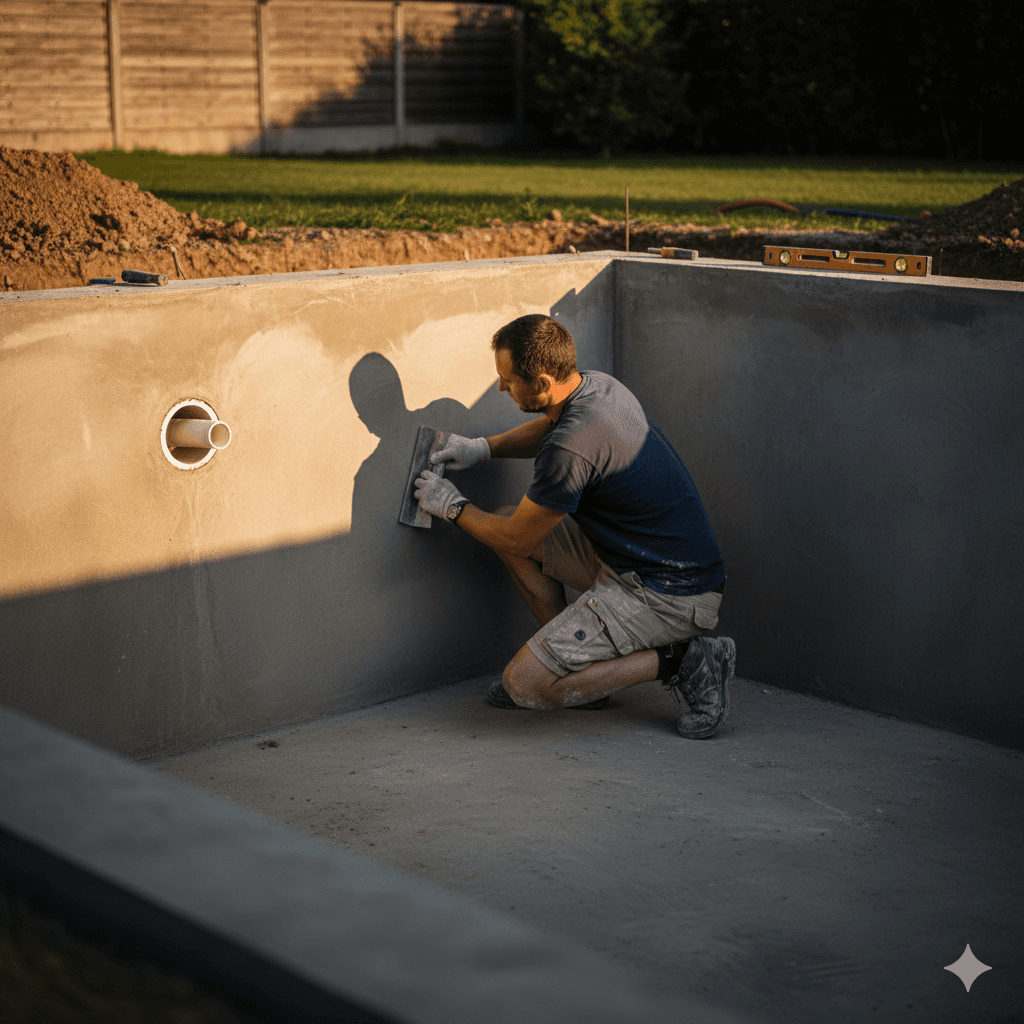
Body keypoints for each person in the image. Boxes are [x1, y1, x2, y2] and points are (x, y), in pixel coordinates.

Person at [413, 313, 735, 739]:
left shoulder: (570, 451)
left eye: (508, 380)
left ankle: (685, 659)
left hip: (668, 595)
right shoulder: (597, 386)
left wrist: (452, 506)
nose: (500, 388)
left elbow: (519, 537)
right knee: (510, 517)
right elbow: (552, 429)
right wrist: (483, 449)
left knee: (524, 685)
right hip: (639, 561)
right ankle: (586, 675)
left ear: (543, 383)